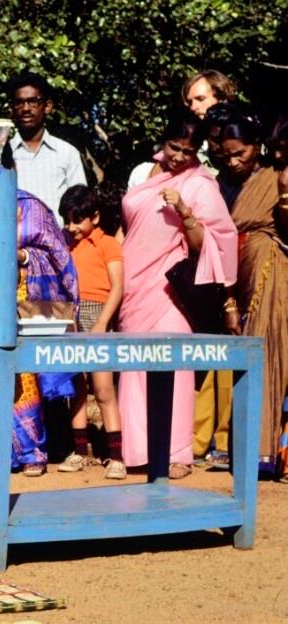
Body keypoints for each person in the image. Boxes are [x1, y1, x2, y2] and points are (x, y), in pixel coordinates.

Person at [118, 111, 238, 480]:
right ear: (163, 139)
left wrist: (184, 211)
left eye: (188, 151)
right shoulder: (142, 172)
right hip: (133, 281)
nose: (180, 157)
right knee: (133, 365)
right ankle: (138, 451)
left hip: (170, 286)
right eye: (174, 147)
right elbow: (128, 225)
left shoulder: (200, 183)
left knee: (174, 364)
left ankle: (176, 453)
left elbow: (212, 242)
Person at [0, 135, 79, 476]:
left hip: (26, 302)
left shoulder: (33, 208)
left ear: (11, 169)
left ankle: (31, 453)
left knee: (24, 380)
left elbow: (58, 256)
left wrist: (22, 256)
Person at [215, 112, 287, 479]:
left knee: (267, 355)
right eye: (226, 155)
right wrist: (229, 300)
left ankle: (263, 452)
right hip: (238, 277)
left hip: (269, 274)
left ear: (256, 147)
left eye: (239, 153)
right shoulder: (222, 185)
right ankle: (243, 448)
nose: (232, 161)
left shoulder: (276, 178)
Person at [57, 185, 126, 480]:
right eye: (67, 221)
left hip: (98, 314)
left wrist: (102, 322)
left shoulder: (108, 244)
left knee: (104, 389)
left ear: (95, 217)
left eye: (77, 220)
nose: (71, 227)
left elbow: (117, 287)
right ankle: (80, 451)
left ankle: (116, 457)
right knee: (77, 388)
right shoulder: (65, 244)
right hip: (70, 316)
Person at [6, 71, 87, 223]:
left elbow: (80, 204)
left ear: (47, 106)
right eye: (19, 102)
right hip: (13, 236)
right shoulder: (1, 155)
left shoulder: (67, 153)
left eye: (33, 101)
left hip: (58, 236)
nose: (26, 108)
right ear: (12, 108)